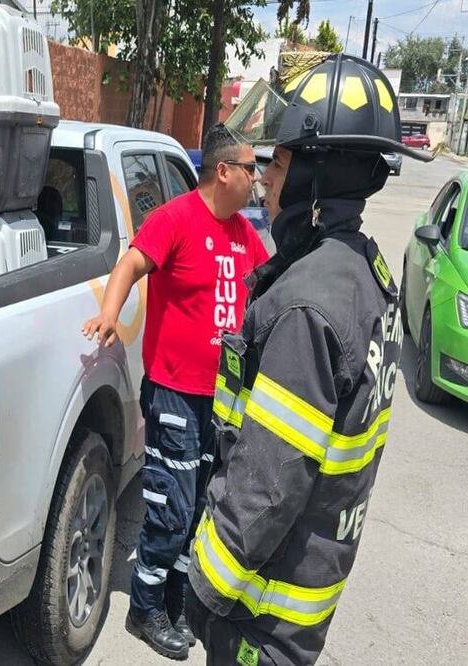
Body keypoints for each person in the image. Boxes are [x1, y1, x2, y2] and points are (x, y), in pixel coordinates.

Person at [185, 54, 432, 665]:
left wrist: (202, 585)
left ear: (317, 178)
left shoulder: (307, 307)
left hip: (258, 620)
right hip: (304, 604)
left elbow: (266, 491)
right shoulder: (362, 273)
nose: (265, 176)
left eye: (281, 160)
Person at [82, 125, 269, 660]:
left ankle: (175, 599)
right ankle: (144, 610)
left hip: (221, 398)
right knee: (169, 505)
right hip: (174, 394)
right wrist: (109, 313)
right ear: (225, 171)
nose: (256, 179)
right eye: (251, 168)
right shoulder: (176, 218)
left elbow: (266, 281)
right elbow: (131, 263)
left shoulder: (242, 233)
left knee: (199, 508)